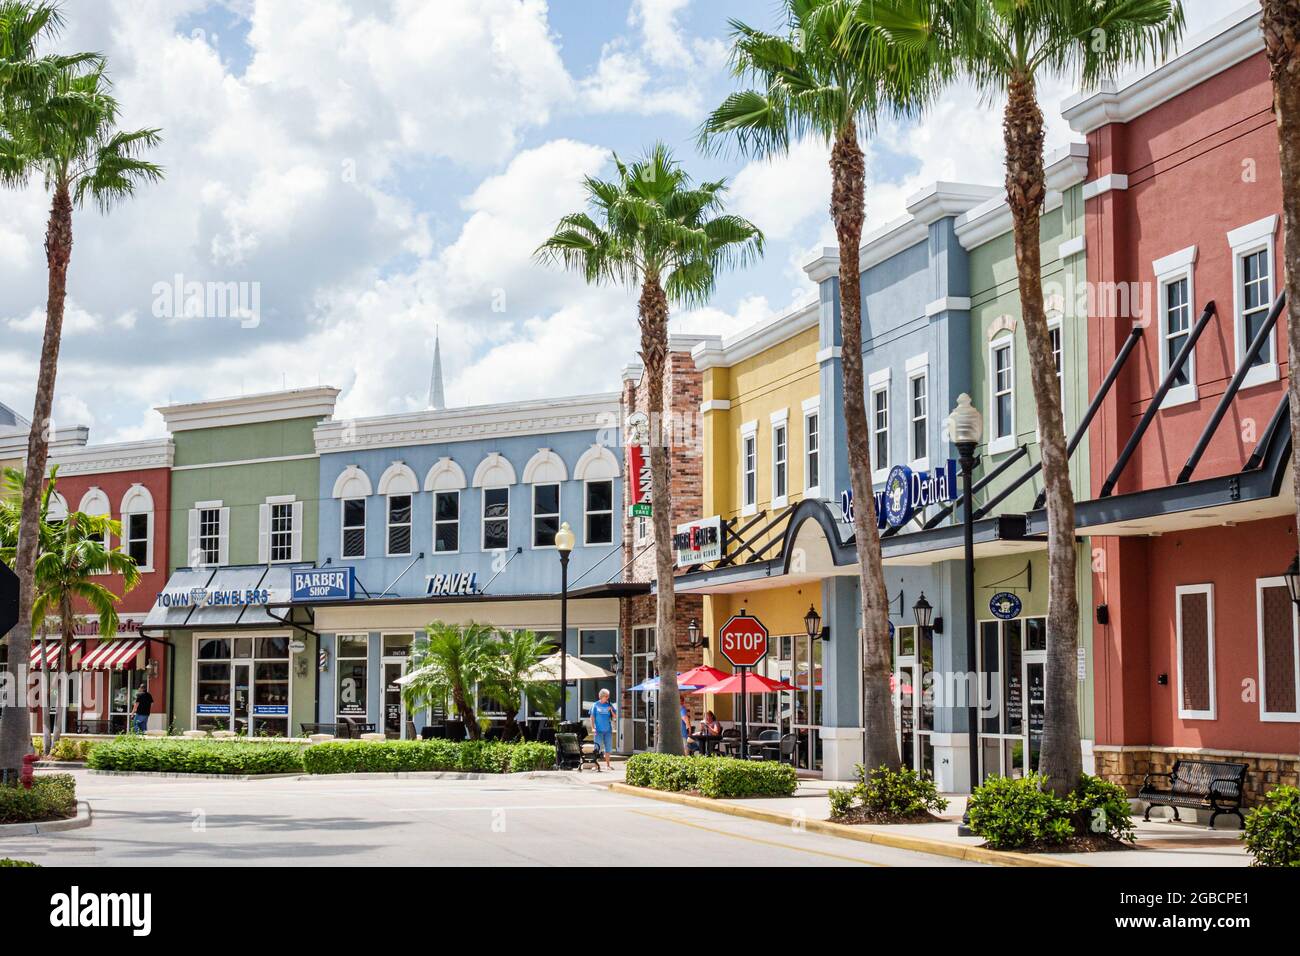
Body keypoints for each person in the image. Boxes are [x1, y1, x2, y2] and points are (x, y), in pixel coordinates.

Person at [588, 688, 617, 770]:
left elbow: (615, 716)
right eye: (606, 696)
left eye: (608, 696)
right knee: (597, 747)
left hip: (608, 730)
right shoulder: (595, 705)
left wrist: (611, 710)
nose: (608, 697)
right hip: (598, 730)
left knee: (608, 747)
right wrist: (593, 728)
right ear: (602, 696)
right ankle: (596, 765)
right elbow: (592, 717)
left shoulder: (609, 705)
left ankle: (608, 765)